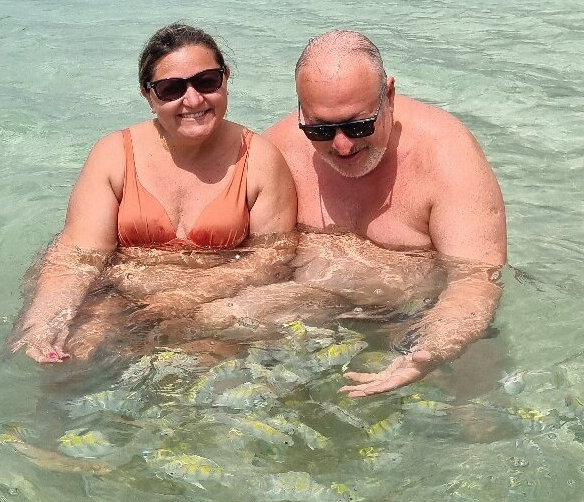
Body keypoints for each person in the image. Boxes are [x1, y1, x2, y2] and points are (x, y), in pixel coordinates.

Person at [210, 29, 507, 397]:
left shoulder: (446, 156)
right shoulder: (276, 152)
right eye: (320, 129)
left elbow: (476, 279)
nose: (342, 145)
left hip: (420, 318)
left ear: (389, 97)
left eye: (358, 126)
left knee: (475, 414)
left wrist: (432, 347)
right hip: (312, 312)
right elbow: (235, 257)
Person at [8, 23, 298, 364]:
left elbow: (270, 261)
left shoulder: (260, 160)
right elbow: (77, 254)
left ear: (226, 79)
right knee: (65, 360)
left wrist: (180, 299)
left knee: (208, 363)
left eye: (207, 81)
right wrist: (47, 318)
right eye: (171, 89)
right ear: (148, 95)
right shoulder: (113, 155)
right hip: (118, 297)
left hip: (216, 303)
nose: (193, 100)